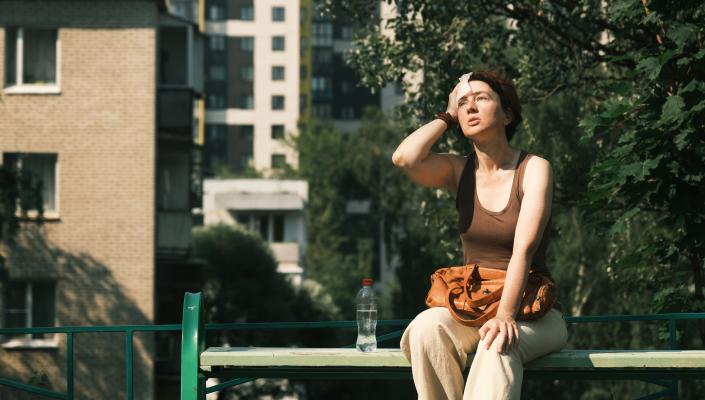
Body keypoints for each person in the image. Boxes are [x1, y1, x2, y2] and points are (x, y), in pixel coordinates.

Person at [391, 70, 568, 400]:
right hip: (474, 306)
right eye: (463, 104)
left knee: (497, 344)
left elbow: (523, 250)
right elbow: (404, 157)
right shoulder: (458, 171)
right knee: (426, 328)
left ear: (507, 114)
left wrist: (505, 316)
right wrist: (446, 114)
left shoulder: (534, 168)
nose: (469, 108)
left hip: (532, 312)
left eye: (482, 99)